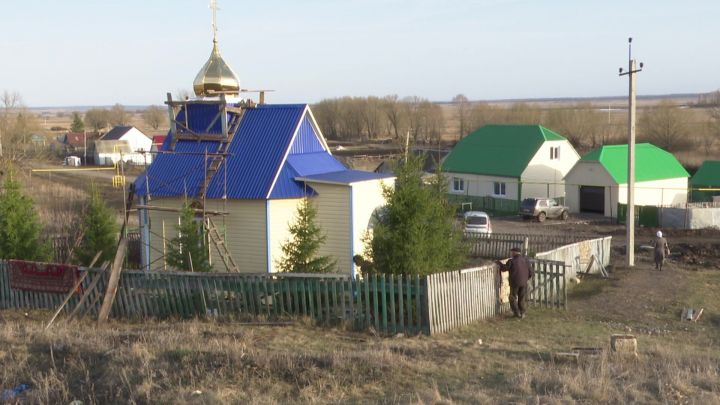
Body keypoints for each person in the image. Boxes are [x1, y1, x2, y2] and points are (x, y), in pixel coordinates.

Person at [496, 247, 533, 319]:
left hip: (515, 282)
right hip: (524, 283)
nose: (511, 253)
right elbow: (531, 272)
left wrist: (499, 263)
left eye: (512, 252)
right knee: (521, 298)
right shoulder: (526, 260)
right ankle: (522, 313)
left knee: (512, 297)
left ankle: (516, 313)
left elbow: (504, 269)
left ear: (514, 252)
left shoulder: (511, 261)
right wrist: (525, 279)